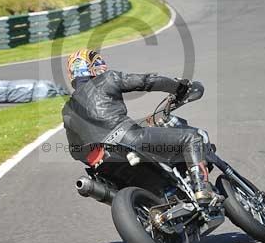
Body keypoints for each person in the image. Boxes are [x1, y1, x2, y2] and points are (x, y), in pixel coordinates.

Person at [62, 49, 215, 203]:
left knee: (154, 184)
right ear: (95, 65)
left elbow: (75, 151)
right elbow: (146, 81)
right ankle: (201, 189)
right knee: (192, 138)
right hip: (128, 139)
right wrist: (180, 87)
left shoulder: (67, 109)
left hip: (102, 166)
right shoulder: (107, 78)